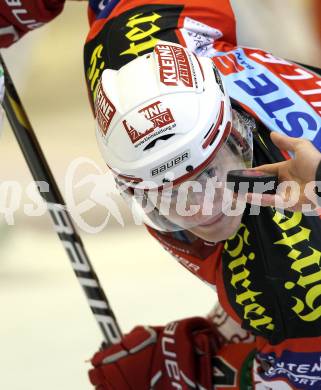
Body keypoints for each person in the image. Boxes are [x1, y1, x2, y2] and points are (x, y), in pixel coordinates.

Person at [2, 1, 321, 389]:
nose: (201, 208)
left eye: (206, 173)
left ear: (236, 134)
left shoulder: (297, 273)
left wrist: (196, 371)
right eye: (163, 194)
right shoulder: (131, 50)